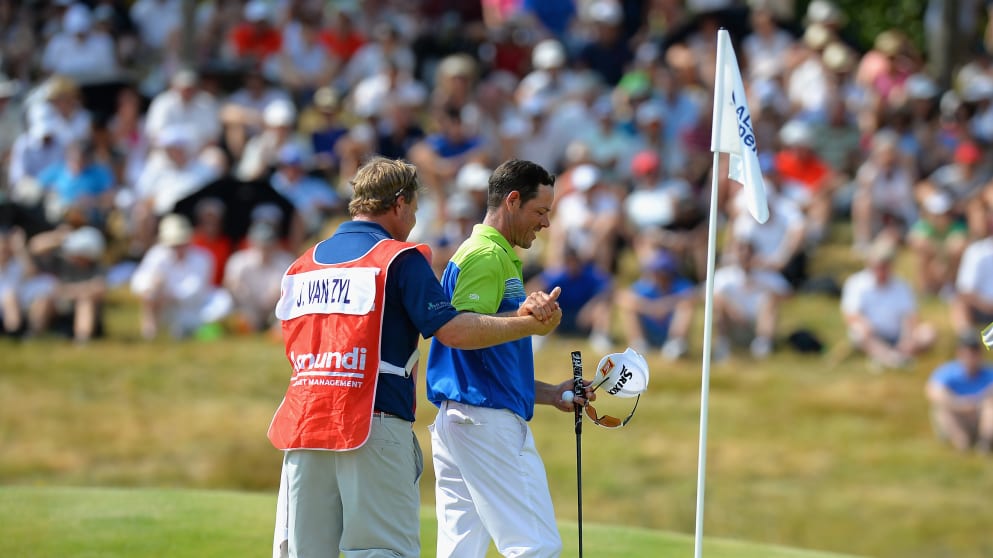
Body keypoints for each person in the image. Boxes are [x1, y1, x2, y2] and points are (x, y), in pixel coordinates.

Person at [269, 157, 566, 558]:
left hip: (303, 425)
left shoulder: (302, 264)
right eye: (414, 207)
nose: (414, 217)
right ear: (399, 203)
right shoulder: (398, 258)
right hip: (371, 420)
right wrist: (530, 324)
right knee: (381, 550)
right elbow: (454, 331)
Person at [426, 159, 594, 558]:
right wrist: (528, 325)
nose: (546, 224)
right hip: (486, 421)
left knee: (461, 550)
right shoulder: (487, 256)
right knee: (535, 546)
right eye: (540, 212)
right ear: (513, 201)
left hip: (462, 417)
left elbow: (483, 356)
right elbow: (461, 331)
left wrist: (550, 393)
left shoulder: (489, 254)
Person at [841, 239, 937, 369]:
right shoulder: (856, 283)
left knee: (928, 332)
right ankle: (891, 358)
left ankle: (896, 355)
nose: (881, 270)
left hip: (898, 336)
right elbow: (851, 314)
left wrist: (907, 339)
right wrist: (865, 324)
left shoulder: (902, 286)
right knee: (859, 331)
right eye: (878, 266)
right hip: (872, 335)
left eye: (885, 266)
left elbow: (910, 317)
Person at [926, 332, 993, 452]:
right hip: (958, 414)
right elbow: (933, 392)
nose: (970, 355)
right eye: (966, 351)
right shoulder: (947, 371)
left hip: (980, 415)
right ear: (959, 352)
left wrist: (980, 402)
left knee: (990, 407)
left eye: (974, 351)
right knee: (941, 409)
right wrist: (960, 404)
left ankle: (985, 443)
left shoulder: (989, 372)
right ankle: (962, 443)